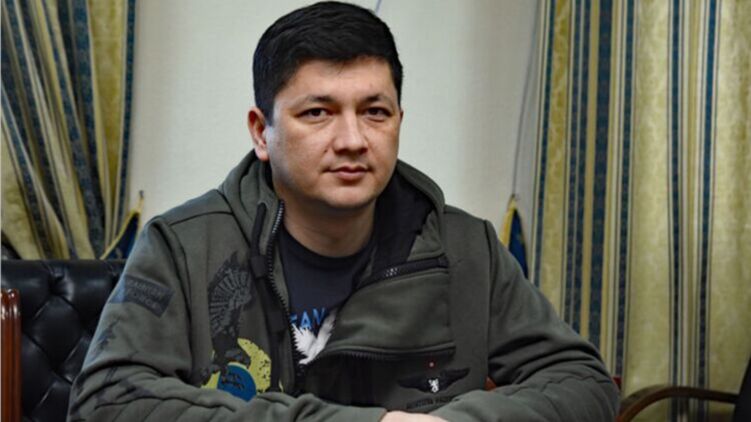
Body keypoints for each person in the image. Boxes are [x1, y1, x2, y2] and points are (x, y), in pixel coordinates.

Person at [68, 2, 619, 421]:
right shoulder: (182, 245)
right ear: (262, 132)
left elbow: (584, 382)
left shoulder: (464, 247)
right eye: (318, 113)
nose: (353, 139)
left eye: (375, 111)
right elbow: (106, 400)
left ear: (399, 120)